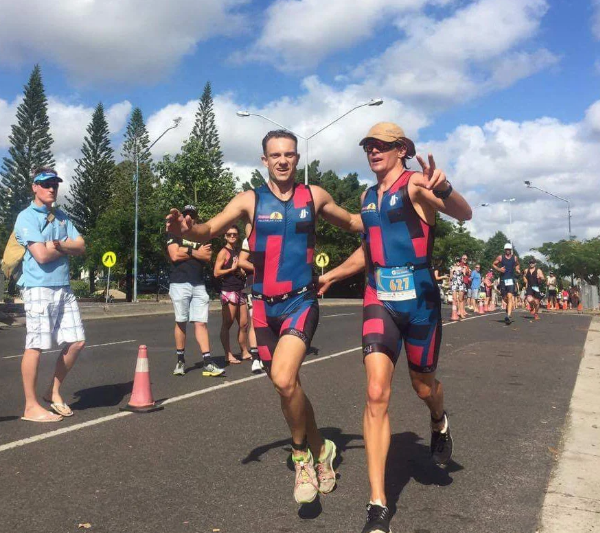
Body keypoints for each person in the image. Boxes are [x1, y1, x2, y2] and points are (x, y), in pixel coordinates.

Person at [166, 129, 364, 505]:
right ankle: (323, 449)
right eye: (275, 155)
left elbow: (354, 222)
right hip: (262, 307)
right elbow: (209, 227)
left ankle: (302, 457)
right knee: (286, 386)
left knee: (285, 378)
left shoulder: (314, 196)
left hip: (300, 302)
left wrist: (391, 208)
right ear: (264, 160)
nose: (283, 160)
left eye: (289, 154)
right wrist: (187, 230)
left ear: (297, 159)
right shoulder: (249, 200)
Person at [317, 122, 472, 533]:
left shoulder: (416, 185)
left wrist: (444, 187)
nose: (373, 151)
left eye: (382, 146)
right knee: (375, 391)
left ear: (401, 149)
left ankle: (439, 420)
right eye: (368, 145)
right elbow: (369, 248)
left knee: (424, 386)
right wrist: (332, 274)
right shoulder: (369, 198)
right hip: (379, 299)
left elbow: (463, 212)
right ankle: (378, 504)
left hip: (420, 303)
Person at [13, 168, 86, 422]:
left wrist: (56, 245)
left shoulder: (62, 216)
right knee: (35, 346)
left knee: (77, 341)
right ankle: (30, 406)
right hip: (38, 288)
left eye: (54, 184)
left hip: (63, 287)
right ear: (35, 187)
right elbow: (41, 257)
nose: (51, 188)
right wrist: (66, 247)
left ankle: (53, 392)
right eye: (45, 184)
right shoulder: (26, 217)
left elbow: (82, 245)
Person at [167, 205, 224, 377]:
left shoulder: (201, 236)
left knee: (201, 322)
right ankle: (180, 361)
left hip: (198, 283)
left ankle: (207, 361)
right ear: (182, 217)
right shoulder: (174, 233)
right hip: (179, 283)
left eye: (192, 215)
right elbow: (174, 255)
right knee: (181, 321)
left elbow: (207, 257)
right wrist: (194, 251)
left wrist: (187, 250)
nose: (189, 217)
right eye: (186, 215)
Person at [213, 225, 252, 365]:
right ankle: (227, 354)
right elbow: (216, 272)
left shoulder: (238, 251)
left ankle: (244, 351)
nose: (232, 237)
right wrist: (231, 269)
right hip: (228, 290)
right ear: (225, 236)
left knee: (244, 324)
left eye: (235, 234)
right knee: (227, 323)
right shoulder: (223, 252)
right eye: (229, 234)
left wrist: (240, 271)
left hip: (240, 289)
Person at [238, 236, 263, 374]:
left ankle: (266, 354)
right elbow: (242, 261)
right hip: (254, 283)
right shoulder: (249, 239)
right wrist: (261, 270)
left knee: (270, 320)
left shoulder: (279, 233)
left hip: (274, 284)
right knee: (255, 320)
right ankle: (255, 358)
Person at [493, 243, 521, 325]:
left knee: (510, 296)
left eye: (509, 249)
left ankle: (508, 316)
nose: (508, 251)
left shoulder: (514, 258)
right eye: (506, 249)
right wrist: (499, 269)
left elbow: (518, 264)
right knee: (505, 298)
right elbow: (493, 264)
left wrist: (517, 269)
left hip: (511, 280)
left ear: (511, 250)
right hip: (503, 280)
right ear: (505, 250)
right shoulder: (500, 257)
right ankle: (509, 306)